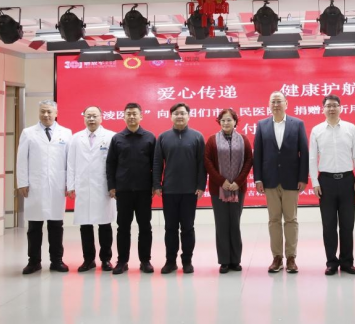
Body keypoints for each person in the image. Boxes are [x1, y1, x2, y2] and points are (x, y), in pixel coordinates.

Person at [253, 91, 309, 274]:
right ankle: (277, 257)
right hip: (269, 180)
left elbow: (304, 152)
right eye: (273, 102)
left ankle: (291, 257)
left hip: (291, 180)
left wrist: (303, 177)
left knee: (291, 219)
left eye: (279, 101)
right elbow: (258, 153)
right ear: (269, 105)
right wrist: (258, 178)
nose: (276, 105)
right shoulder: (262, 125)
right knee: (274, 220)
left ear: (286, 103)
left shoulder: (297, 124)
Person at [309, 94, 355, 276]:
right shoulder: (317, 130)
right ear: (323, 109)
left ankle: (347, 262)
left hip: (348, 180)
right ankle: (331, 262)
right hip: (326, 182)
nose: (331, 109)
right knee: (329, 225)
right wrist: (315, 182)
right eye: (328, 106)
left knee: (347, 224)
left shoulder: (350, 128)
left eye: (335, 105)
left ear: (340, 107)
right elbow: (312, 159)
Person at [16, 100, 72, 274]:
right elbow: (21, 159)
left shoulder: (66, 133)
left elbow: (70, 162)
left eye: (49, 112)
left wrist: (70, 183)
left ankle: (57, 261)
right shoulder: (28, 133)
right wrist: (22, 182)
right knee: (34, 226)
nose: (46, 115)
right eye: (43, 111)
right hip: (35, 185)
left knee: (56, 225)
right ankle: (34, 262)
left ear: (56, 113)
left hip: (57, 185)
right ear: (39, 113)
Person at [153, 103, 206, 274]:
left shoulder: (197, 137)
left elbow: (202, 163)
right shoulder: (163, 137)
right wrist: (157, 184)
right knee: (170, 228)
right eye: (176, 113)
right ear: (171, 117)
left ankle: (187, 261)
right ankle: (170, 262)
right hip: (169, 191)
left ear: (188, 116)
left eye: (183, 113)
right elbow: (157, 163)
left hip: (190, 191)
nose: (180, 116)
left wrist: (201, 185)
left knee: (188, 228)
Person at [105, 102, 157, 275]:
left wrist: (155, 185)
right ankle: (122, 261)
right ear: (124, 116)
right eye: (129, 114)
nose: (132, 116)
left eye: (135, 114)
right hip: (123, 190)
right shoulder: (117, 138)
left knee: (145, 227)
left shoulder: (150, 137)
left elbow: (156, 164)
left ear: (141, 116)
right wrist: (112, 186)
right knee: (123, 227)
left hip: (144, 190)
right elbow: (110, 164)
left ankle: (145, 261)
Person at [67, 106, 117, 273]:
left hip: (103, 187)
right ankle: (88, 260)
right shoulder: (76, 138)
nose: (91, 119)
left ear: (101, 117)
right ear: (84, 118)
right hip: (83, 187)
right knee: (85, 225)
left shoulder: (111, 136)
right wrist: (70, 186)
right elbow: (70, 164)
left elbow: (115, 164)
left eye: (95, 116)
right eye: (88, 116)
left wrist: (114, 186)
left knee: (105, 224)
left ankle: (106, 259)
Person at [204, 108, 254, 274]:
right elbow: (207, 162)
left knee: (234, 223)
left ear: (235, 122)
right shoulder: (212, 140)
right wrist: (222, 181)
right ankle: (224, 261)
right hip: (218, 189)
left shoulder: (243, 140)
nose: (226, 123)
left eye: (229, 120)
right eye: (223, 120)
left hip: (238, 189)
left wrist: (238, 182)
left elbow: (249, 160)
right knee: (222, 224)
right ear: (219, 122)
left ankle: (235, 260)